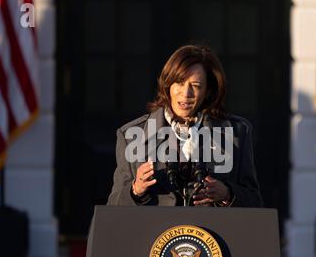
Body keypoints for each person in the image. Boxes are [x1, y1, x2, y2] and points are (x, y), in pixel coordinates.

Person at [107, 45, 263, 207]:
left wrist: (228, 193)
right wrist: (136, 190)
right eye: (179, 83)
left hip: (212, 231)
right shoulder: (131, 134)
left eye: (195, 85)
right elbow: (114, 207)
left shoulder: (237, 132)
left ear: (208, 90)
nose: (186, 93)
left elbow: (255, 202)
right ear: (168, 85)